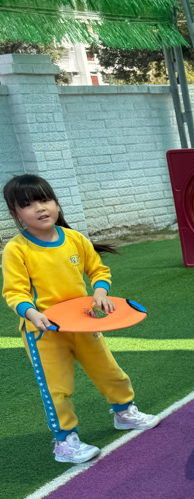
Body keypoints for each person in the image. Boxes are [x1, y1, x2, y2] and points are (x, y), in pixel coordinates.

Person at [2, 174, 161, 464]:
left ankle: (124, 412)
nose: (40, 208)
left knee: (109, 371)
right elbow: (15, 292)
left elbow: (98, 271)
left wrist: (100, 292)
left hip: (84, 322)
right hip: (44, 332)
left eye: (45, 199)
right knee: (57, 389)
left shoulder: (75, 239)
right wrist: (31, 313)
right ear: (15, 213)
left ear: (56, 203)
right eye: (28, 204)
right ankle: (65, 442)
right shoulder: (17, 249)